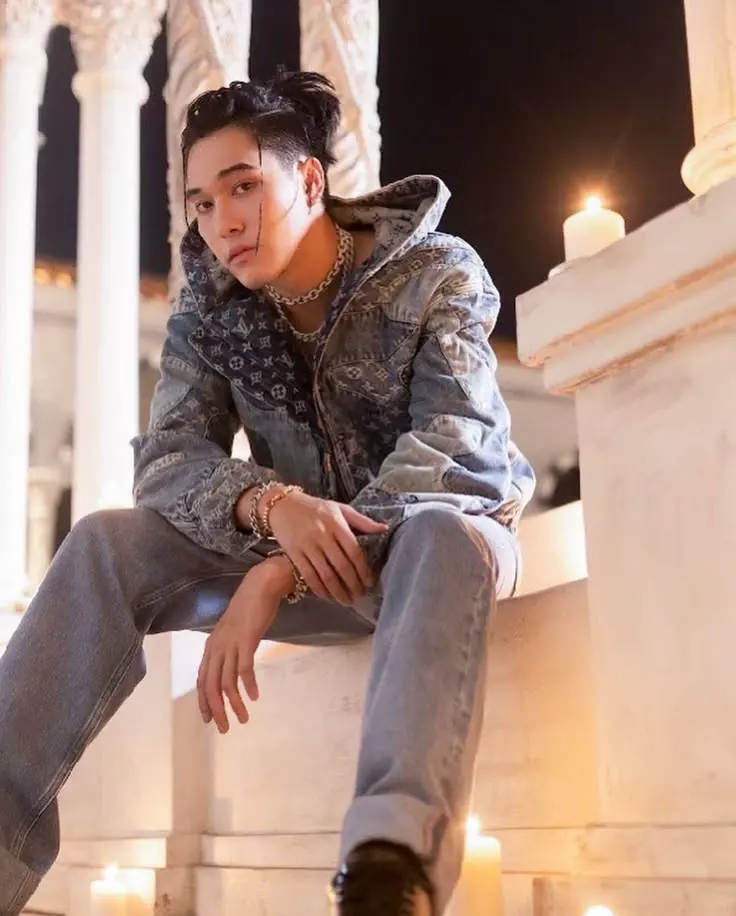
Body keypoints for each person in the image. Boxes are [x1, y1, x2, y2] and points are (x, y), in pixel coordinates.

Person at [0, 71, 535, 916]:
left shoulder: (435, 271)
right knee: (107, 541)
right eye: (203, 203)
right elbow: (168, 461)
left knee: (436, 530)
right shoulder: (211, 311)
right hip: (304, 555)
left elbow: (459, 455)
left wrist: (279, 570)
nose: (223, 222)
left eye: (243, 186)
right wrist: (272, 507)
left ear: (309, 179)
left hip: (441, 548)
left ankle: (388, 871)